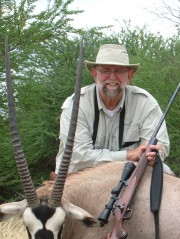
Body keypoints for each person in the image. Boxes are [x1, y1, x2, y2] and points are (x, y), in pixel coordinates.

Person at [55, 44, 173, 175]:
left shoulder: (146, 103)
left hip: (128, 175)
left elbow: (160, 146)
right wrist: (130, 155)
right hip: (81, 177)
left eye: (119, 71)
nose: (112, 77)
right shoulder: (75, 105)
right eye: (105, 70)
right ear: (95, 74)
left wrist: (152, 154)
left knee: (165, 172)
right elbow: (80, 158)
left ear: (129, 75)